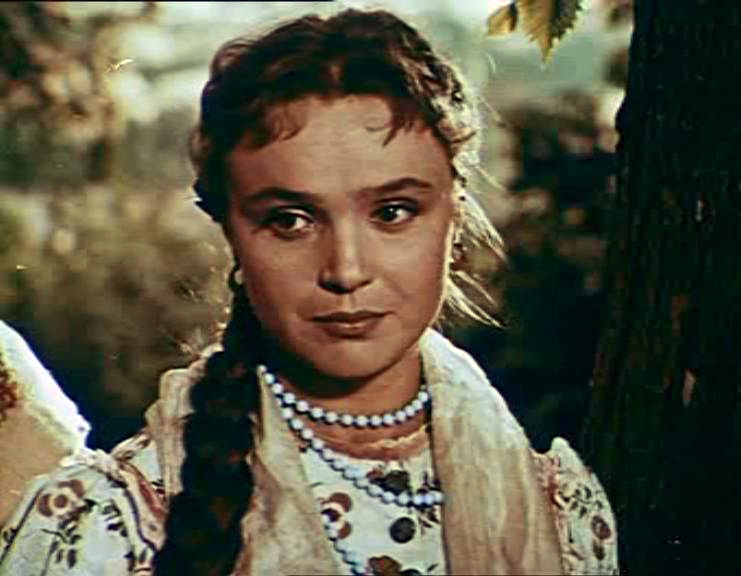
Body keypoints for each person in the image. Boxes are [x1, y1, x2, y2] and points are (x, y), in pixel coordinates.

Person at [0, 8, 617, 576]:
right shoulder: (111, 525)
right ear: (230, 231)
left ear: (454, 219)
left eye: (393, 212)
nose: (346, 270)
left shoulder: (561, 515)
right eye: (291, 221)